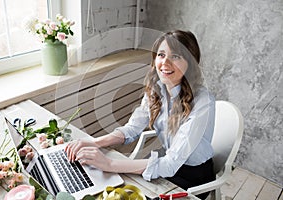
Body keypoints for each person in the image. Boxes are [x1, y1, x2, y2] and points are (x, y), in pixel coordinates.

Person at [65, 30, 215, 199]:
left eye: (176, 56)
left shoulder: (203, 101)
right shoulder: (156, 89)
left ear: (191, 63)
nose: (165, 62)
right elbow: (131, 129)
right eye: (161, 54)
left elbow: (170, 164)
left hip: (194, 175)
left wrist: (108, 163)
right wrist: (94, 142)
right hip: (167, 163)